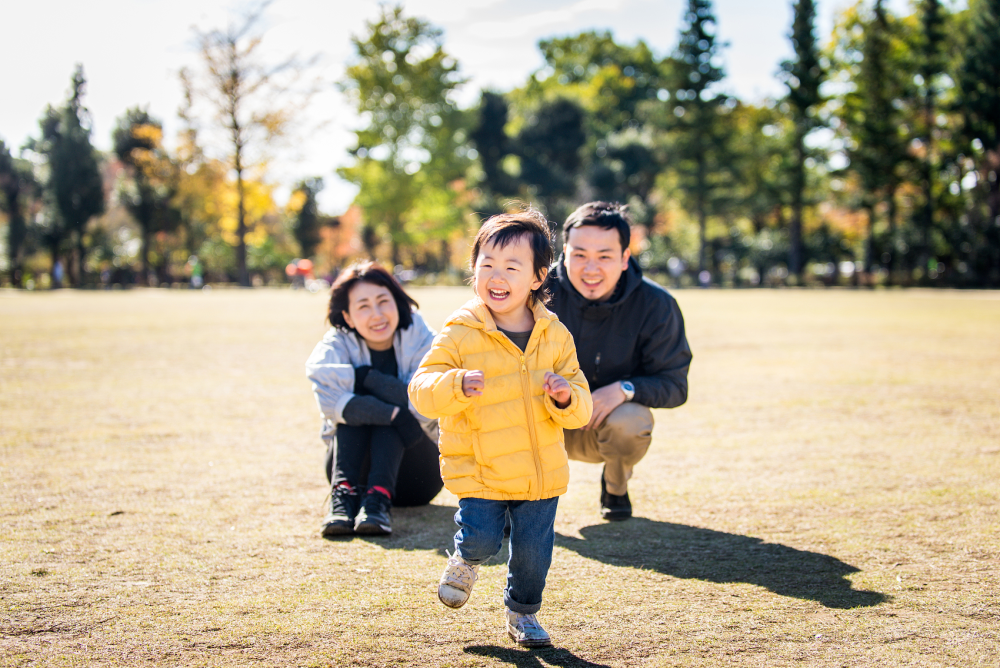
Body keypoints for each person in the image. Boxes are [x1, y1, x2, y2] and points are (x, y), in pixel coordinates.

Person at [409, 209, 592, 648]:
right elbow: (421, 389)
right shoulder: (460, 332)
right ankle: (466, 559)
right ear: (474, 270)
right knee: (482, 537)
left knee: (532, 555)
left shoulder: (555, 334)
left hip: (539, 471)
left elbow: (581, 405)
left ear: (536, 277)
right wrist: (455, 383)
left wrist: (565, 396)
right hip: (482, 467)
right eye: (486, 264)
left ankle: (522, 614)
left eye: (512, 266)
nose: (497, 274)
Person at [546, 201, 692, 521]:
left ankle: (615, 485)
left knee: (632, 420)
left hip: (602, 425)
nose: (591, 268)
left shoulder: (657, 305)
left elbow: (675, 384)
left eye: (605, 256)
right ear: (565, 252)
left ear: (625, 258)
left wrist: (624, 389)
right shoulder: (537, 293)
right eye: (580, 255)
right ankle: (507, 502)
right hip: (543, 420)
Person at [305, 261, 442, 537]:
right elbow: (331, 403)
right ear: (348, 316)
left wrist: (365, 377)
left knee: (367, 406)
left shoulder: (421, 336)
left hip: (417, 476)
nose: (377, 314)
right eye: (363, 306)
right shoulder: (336, 342)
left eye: (383, 301)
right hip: (353, 471)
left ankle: (377, 504)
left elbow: (425, 402)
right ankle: (342, 503)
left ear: (397, 301)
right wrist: (393, 410)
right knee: (360, 411)